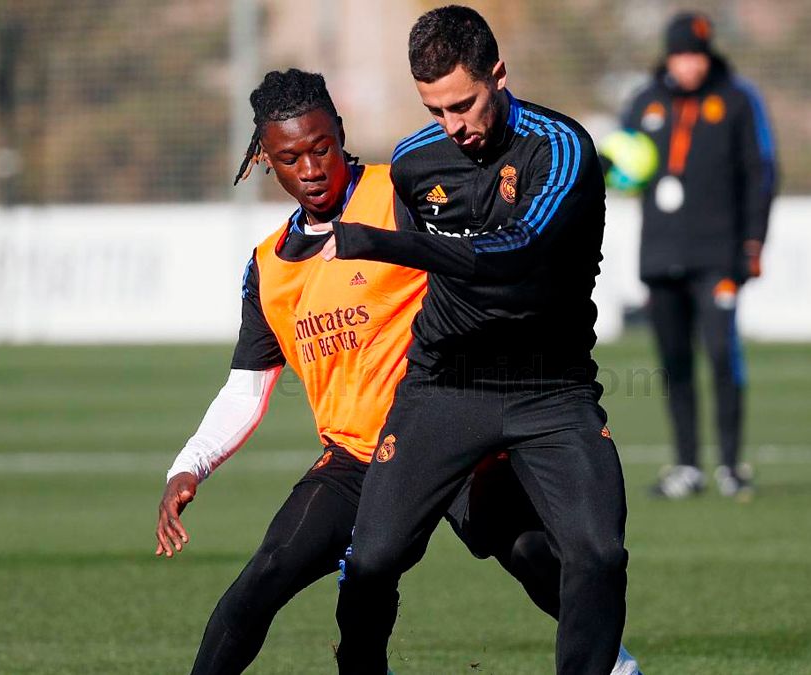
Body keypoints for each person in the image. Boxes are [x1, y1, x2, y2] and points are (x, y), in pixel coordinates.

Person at [154, 68, 644, 675]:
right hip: (359, 454)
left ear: (340, 133)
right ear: (263, 161)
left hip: (452, 426)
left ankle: (614, 664)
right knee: (268, 575)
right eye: (290, 158)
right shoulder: (268, 268)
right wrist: (189, 465)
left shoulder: (403, 191)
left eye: (322, 148)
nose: (311, 169)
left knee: (538, 556)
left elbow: (489, 257)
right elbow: (247, 386)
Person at [317, 7, 627, 674]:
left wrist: (376, 241)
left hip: (552, 388)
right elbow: (426, 283)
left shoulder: (560, 148)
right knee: (370, 561)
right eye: (435, 110)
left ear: (499, 75)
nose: (452, 126)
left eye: (463, 104)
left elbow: (516, 253)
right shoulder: (413, 162)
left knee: (598, 554)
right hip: (445, 386)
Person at [618, 11, 777, 501]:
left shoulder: (737, 99)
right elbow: (621, 166)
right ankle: (687, 466)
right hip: (661, 254)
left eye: (698, 55)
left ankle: (730, 465)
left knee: (722, 355)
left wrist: (753, 243)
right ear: (669, 55)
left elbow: (761, 172)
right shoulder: (644, 102)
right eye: (683, 55)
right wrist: (613, 170)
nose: (691, 65)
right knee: (674, 363)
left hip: (719, 254)